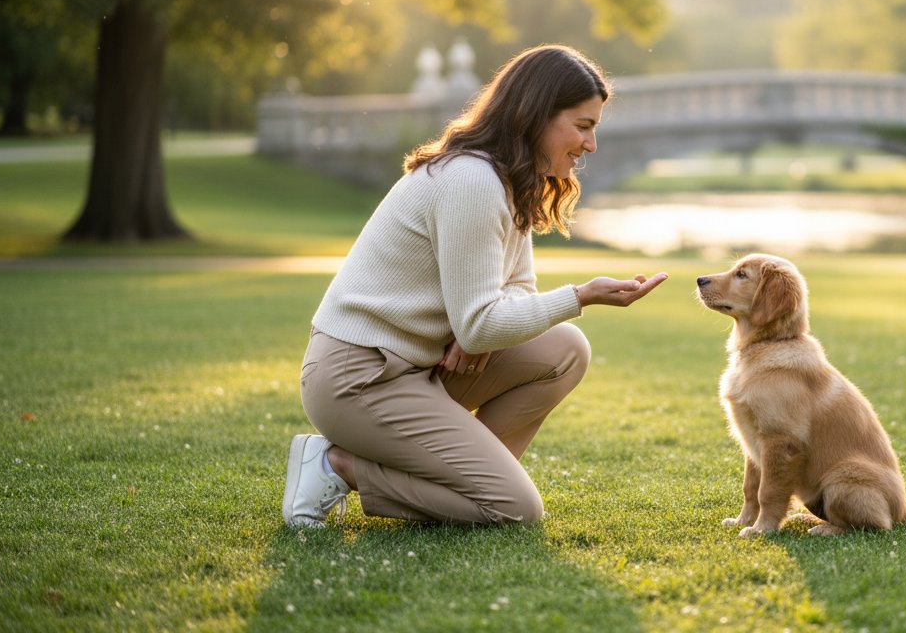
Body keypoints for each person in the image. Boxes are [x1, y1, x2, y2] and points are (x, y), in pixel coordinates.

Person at [282, 44, 667, 528]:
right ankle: (336, 465)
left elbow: (516, 292)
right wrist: (579, 295)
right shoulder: (471, 181)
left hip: (421, 365)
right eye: (583, 126)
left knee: (566, 348)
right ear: (536, 116)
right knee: (515, 510)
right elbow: (482, 322)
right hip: (359, 378)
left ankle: (467, 483)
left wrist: (476, 331)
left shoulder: (513, 181)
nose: (591, 145)